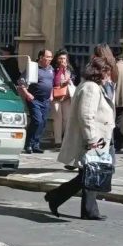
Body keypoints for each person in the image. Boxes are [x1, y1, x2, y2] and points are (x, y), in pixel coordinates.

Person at [44, 56, 115, 220]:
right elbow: (86, 116)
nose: (109, 76)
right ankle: (57, 197)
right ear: (100, 72)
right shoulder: (91, 88)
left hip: (96, 140)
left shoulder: (93, 86)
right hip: (92, 141)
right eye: (107, 72)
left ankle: (87, 209)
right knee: (90, 174)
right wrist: (92, 140)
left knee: (89, 174)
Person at [19, 49, 54, 154]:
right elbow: (21, 82)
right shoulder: (33, 68)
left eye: (50, 57)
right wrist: (27, 94)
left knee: (43, 123)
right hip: (35, 100)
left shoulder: (51, 69)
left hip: (46, 100)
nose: (49, 59)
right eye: (47, 57)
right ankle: (28, 144)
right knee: (37, 121)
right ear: (41, 57)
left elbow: (50, 83)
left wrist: (51, 95)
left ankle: (36, 144)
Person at [51, 50, 74, 150]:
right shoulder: (53, 69)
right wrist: (60, 70)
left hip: (67, 97)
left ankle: (65, 137)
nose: (62, 60)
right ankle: (57, 141)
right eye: (60, 58)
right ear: (57, 59)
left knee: (67, 119)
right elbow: (56, 82)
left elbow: (74, 81)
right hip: (56, 97)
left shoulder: (71, 69)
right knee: (57, 118)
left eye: (64, 58)